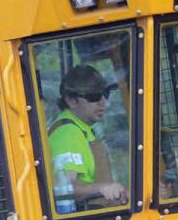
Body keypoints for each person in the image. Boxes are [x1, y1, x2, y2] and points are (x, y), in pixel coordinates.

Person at [48, 64, 128, 208]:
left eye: (105, 94)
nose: (103, 102)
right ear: (71, 100)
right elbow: (64, 189)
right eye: (94, 96)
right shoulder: (67, 133)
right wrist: (102, 188)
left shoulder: (84, 129)